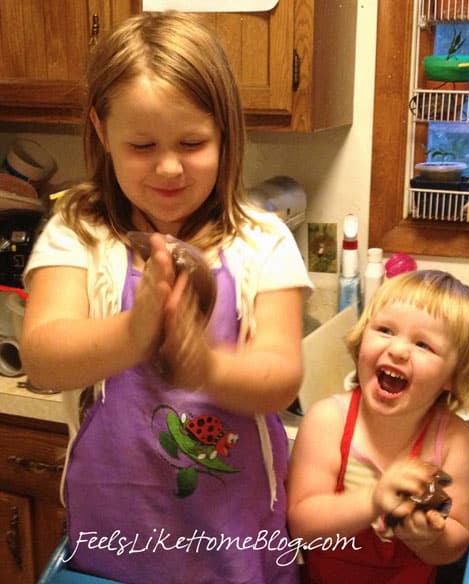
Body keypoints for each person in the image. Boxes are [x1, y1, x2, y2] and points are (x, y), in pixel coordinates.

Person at [20, 11, 312, 584]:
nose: (170, 166)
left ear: (226, 130)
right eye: (142, 144)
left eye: (193, 142)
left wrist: (204, 364)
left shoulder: (261, 240)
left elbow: (281, 376)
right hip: (114, 545)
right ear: (102, 133)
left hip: (235, 543)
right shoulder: (76, 231)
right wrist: (134, 331)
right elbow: (43, 357)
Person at [287, 270, 469, 584]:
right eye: (385, 329)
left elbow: (457, 541)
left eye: (424, 345)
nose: (397, 350)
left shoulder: (452, 440)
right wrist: (372, 501)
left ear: (453, 376)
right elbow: (302, 524)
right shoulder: (328, 420)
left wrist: (428, 537)